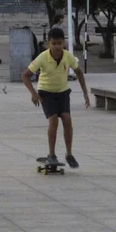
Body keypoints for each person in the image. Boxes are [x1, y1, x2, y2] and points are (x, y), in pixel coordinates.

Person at [21, 27, 90, 169]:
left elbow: (79, 72)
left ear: (63, 43)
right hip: (46, 92)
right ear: (48, 44)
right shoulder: (42, 57)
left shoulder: (68, 56)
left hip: (63, 92)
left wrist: (85, 93)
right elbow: (25, 75)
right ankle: (51, 154)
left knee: (67, 120)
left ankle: (69, 154)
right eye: (54, 43)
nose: (57, 47)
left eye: (60, 43)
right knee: (53, 122)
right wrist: (34, 94)